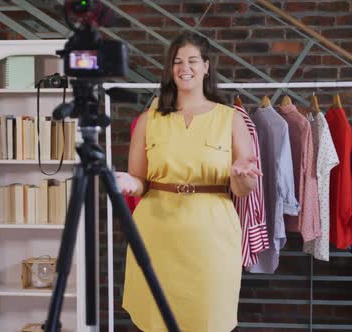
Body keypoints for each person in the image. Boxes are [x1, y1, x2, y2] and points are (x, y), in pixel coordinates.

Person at [116, 31, 261, 332]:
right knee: (156, 319)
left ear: (206, 67)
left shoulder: (231, 118)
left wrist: (243, 178)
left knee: (207, 319)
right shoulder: (148, 119)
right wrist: (130, 183)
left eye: (193, 60)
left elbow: (243, 188)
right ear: (171, 70)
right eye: (177, 61)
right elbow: (140, 180)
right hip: (156, 236)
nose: (185, 67)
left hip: (211, 239)